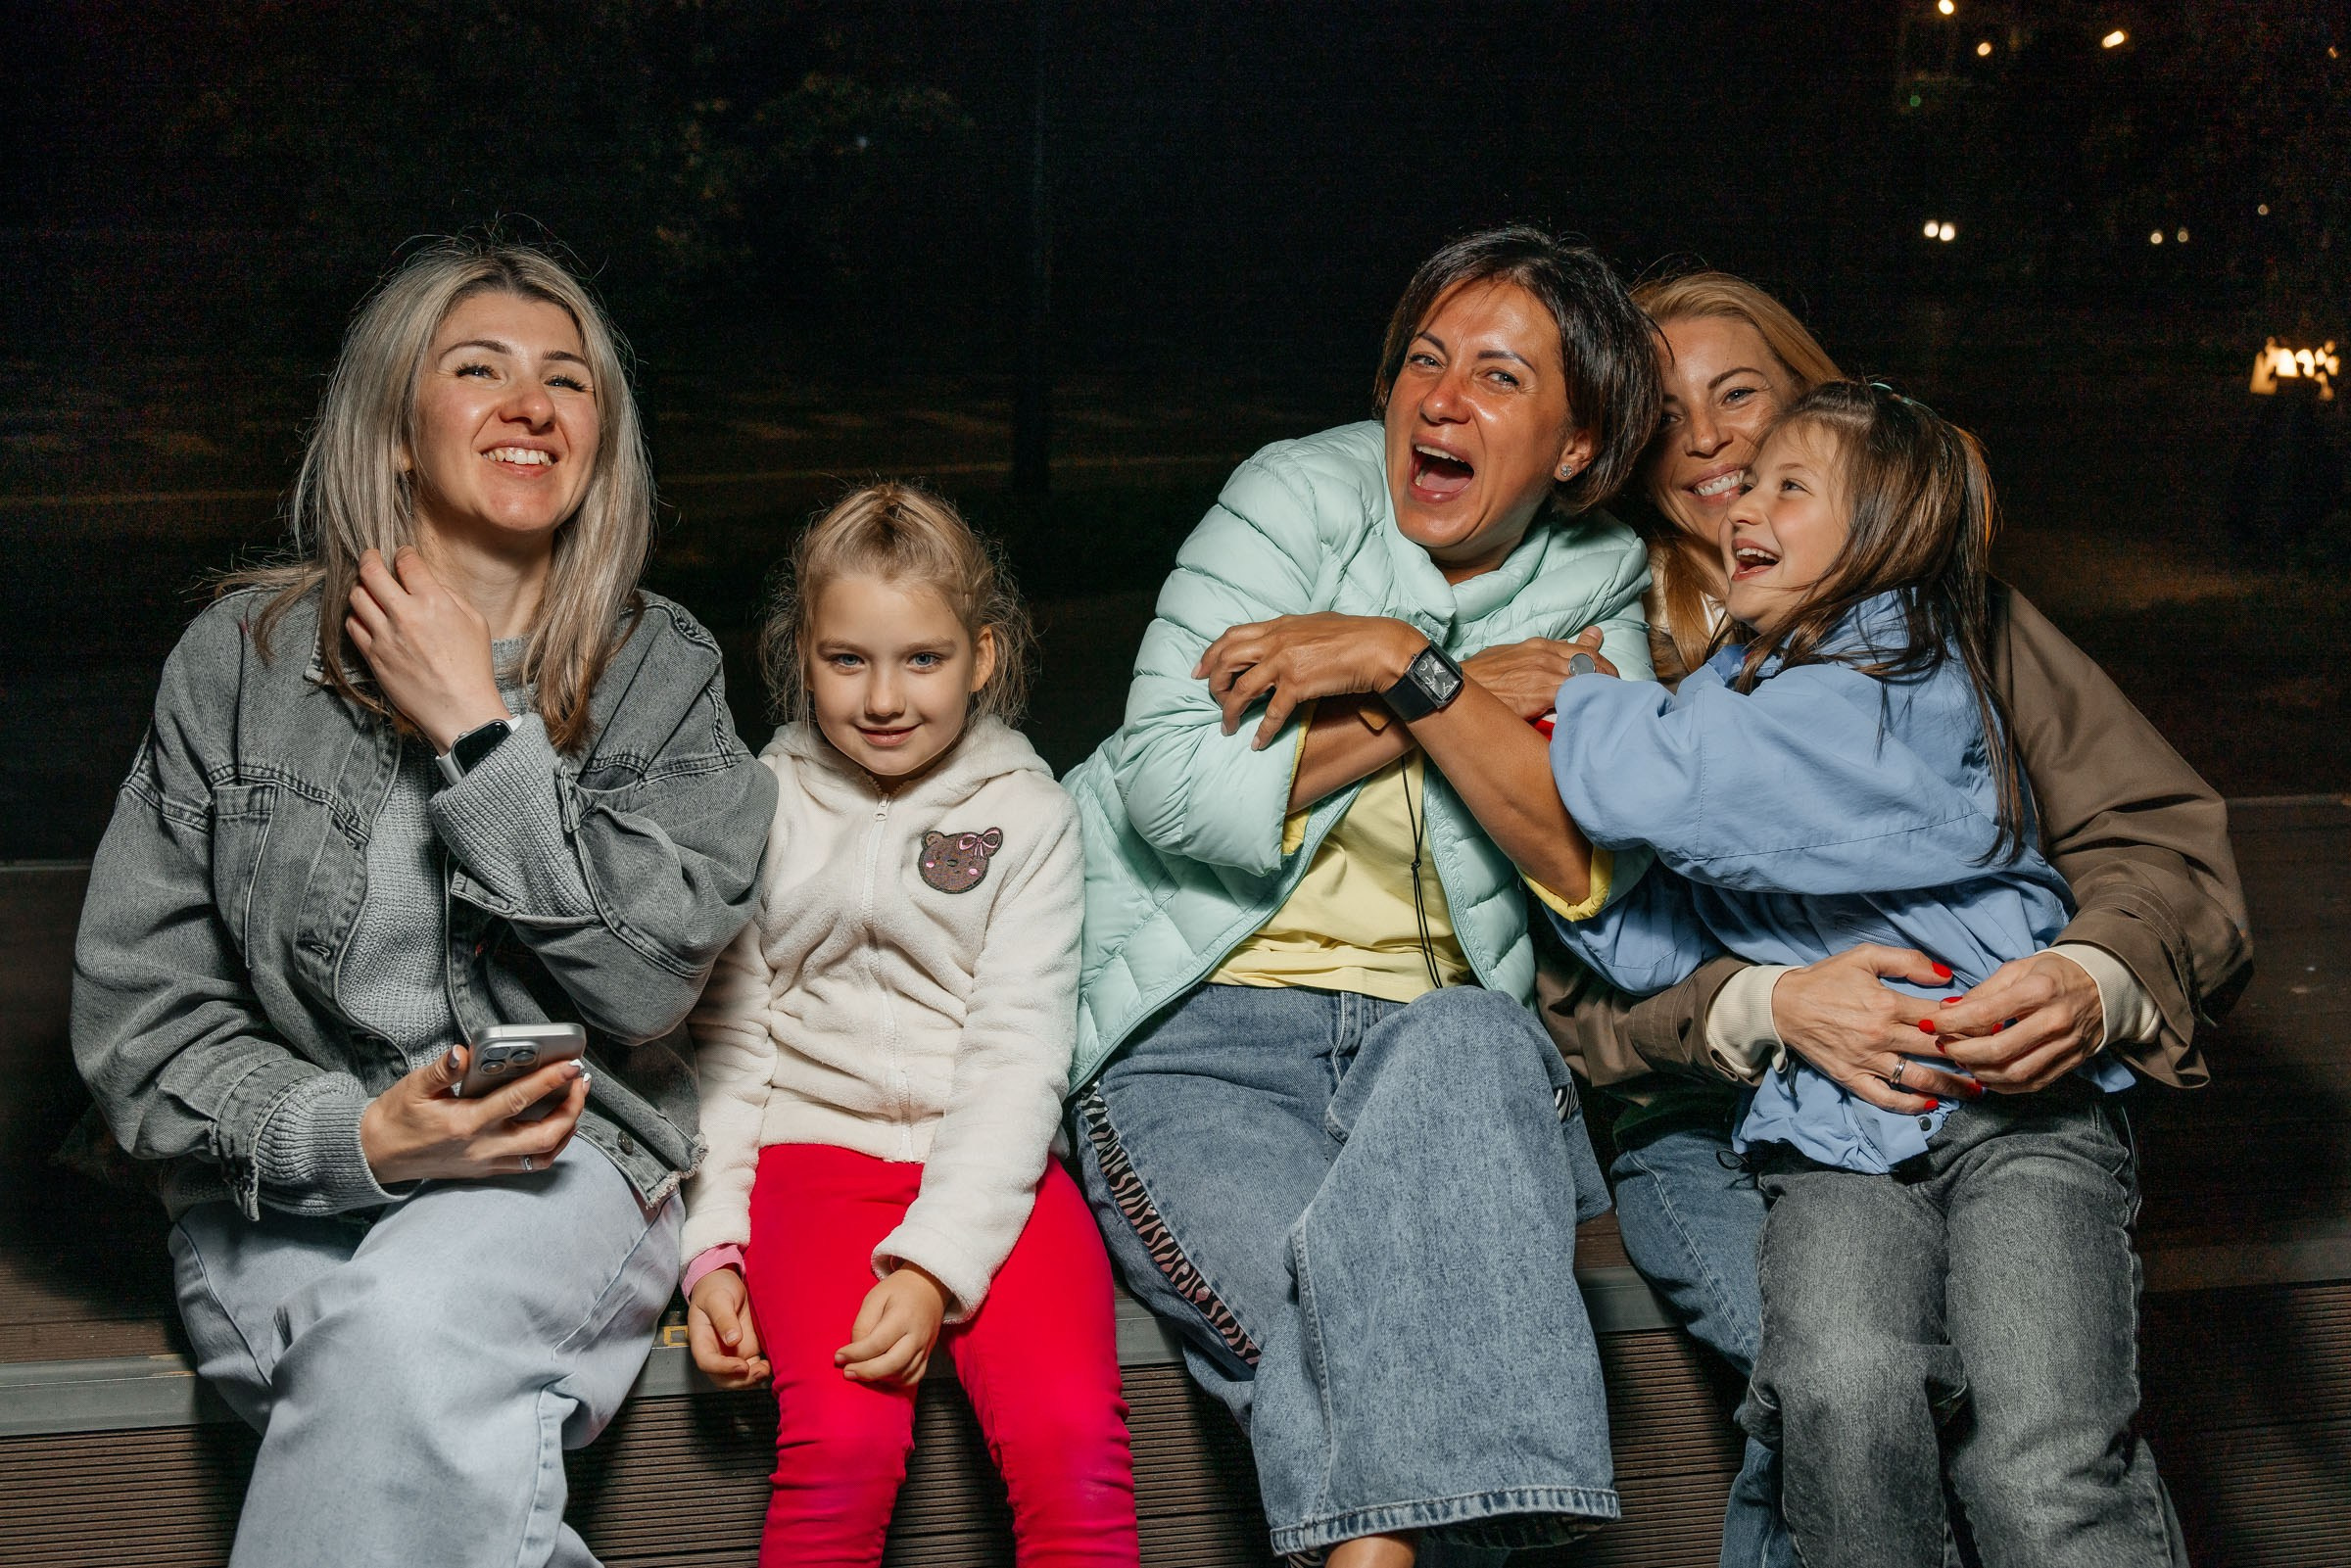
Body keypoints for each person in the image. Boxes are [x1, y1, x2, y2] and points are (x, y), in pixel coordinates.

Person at [70, 239, 777, 1568]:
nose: (532, 405)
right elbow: (141, 1026)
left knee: (393, 1334)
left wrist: (475, 727)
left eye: (568, 379)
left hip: (562, 1170)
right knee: (398, 1384)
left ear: (599, 440)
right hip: (278, 1189)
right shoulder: (240, 661)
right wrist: (360, 1138)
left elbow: (646, 985)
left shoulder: (661, 669)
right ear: (398, 429)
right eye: (479, 370)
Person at [1540, 271, 2248, 1568]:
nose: (1707, 440)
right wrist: (1762, 1003)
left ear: (1821, 411)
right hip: (1711, 1119)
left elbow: (2154, 838)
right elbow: (1577, 984)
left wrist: (2094, 974)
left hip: (1989, 1094)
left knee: (2025, 1430)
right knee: (1839, 1392)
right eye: (1665, 413)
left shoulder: (1948, 615)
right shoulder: (1597, 643)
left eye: (1740, 395)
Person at [1062, 225, 1660, 1566]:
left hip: (1438, 1061)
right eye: (1423, 362)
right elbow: (1170, 785)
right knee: (1365, 1346)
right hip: (1203, 1041)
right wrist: (1452, 695)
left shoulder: (1604, 575)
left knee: (1475, 1036)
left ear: (1577, 444)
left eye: (1500, 377)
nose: (1441, 401)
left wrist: (1397, 660)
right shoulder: (1294, 498)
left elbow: (1582, 859)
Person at [678, 484, 1139, 1566]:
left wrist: (934, 1265)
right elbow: (731, 1044)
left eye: (923, 658)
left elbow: (1018, 1056)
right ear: (801, 657)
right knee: (842, 1446)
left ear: (983, 656)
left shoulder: (1028, 814)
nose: (884, 697)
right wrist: (711, 1250)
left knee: (1073, 1444)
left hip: (996, 1176)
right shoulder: (763, 802)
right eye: (847, 659)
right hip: (811, 1166)